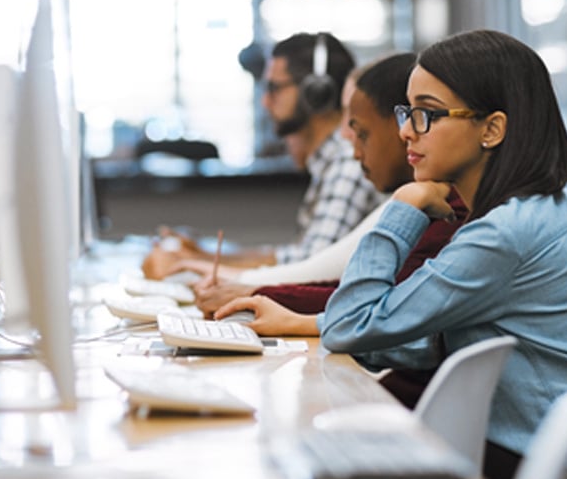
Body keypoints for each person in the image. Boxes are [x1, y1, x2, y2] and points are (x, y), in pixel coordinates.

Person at [236, 30, 567, 479]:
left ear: (492, 129)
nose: (407, 132)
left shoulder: (503, 235)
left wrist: (403, 207)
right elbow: (422, 335)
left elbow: (354, 323)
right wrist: (317, 324)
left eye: (426, 113)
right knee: (361, 460)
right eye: (407, 113)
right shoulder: (527, 214)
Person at [199, 53, 466, 320]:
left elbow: (374, 309)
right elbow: (358, 295)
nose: (406, 131)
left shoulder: (449, 210)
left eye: (359, 130)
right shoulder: (429, 199)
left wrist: (256, 294)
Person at [142, 32, 384, 278]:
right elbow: (295, 257)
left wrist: (194, 263)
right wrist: (202, 256)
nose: (265, 102)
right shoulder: (330, 163)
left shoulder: (347, 164)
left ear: (315, 93)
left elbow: (308, 270)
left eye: (274, 88)